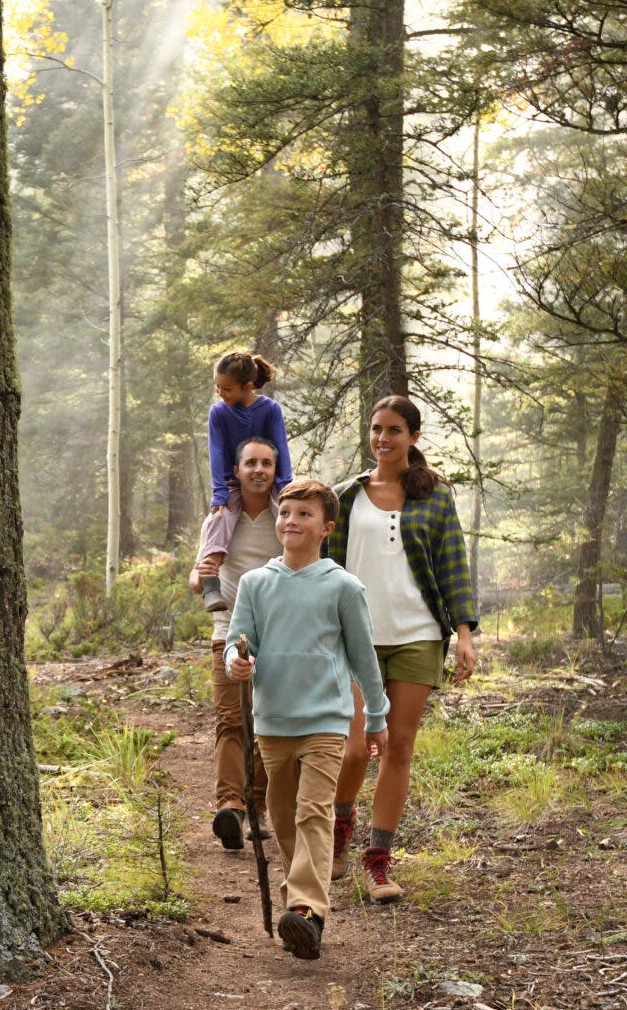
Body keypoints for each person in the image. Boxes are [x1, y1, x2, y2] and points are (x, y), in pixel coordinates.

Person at [223, 478, 388, 960]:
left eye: (303, 515)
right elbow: (239, 642)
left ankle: (308, 911)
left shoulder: (342, 586)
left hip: (326, 721)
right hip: (272, 722)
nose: (291, 521)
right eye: (285, 513)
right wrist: (239, 662)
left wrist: (376, 713)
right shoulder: (256, 583)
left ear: (326, 528)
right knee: (284, 818)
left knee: (314, 812)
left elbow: (363, 658)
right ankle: (302, 903)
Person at [328, 394, 479, 904]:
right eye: (376, 429)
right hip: (356, 639)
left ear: (413, 437)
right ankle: (338, 831)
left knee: (395, 747)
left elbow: (453, 563)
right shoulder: (346, 496)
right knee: (353, 749)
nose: (382, 439)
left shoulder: (433, 495)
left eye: (393, 430)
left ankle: (378, 862)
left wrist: (463, 633)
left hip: (417, 635)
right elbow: (324, 567)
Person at [193, 437, 283, 852]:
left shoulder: (286, 516)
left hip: (279, 636)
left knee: (266, 722)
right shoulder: (219, 517)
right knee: (231, 721)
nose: (259, 470)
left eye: (266, 463)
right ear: (237, 470)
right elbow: (197, 581)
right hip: (227, 634)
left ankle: (259, 807)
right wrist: (204, 573)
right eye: (251, 463)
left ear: (275, 468)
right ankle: (231, 806)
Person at [198, 353, 292, 612]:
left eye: (226, 388)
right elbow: (216, 451)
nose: (219, 392)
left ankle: (304, 570)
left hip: (268, 481)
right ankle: (210, 583)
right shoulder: (219, 412)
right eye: (217, 385)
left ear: (247, 386)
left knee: (288, 518)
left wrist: (285, 487)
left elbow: (280, 447)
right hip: (231, 480)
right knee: (221, 517)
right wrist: (219, 492)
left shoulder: (270, 409)